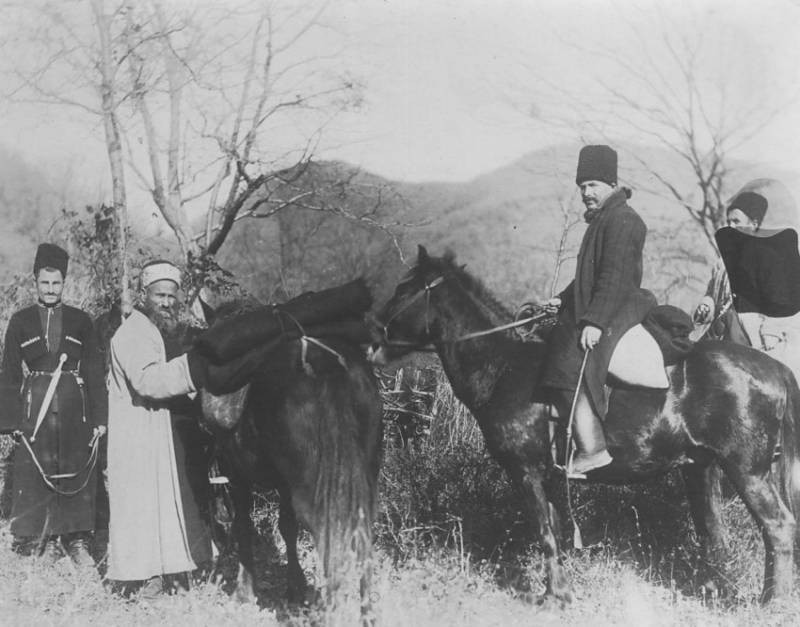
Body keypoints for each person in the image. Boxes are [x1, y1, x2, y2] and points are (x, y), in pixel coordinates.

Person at [541, 145, 656, 477]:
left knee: (570, 356)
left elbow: (614, 278)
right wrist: (563, 299)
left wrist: (594, 321)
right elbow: (589, 275)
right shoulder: (604, 218)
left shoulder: (624, 220)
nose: (586, 193)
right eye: (582, 186)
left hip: (620, 305)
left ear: (610, 183)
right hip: (605, 302)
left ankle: (592, 449)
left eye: (593, 184)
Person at [106, 259, 209, 597]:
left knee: (156, 502)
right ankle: (143, 579)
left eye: (171, 296)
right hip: (136, 433)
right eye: (159, 295)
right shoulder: (133, 332)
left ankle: (160, 575)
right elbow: (149, 381)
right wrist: (195, 369)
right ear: (143, 295)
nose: (166, 302)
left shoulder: (152, 330)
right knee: (140, 504)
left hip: (151, 429)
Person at [0, 243, 107, 566]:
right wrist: (10, 422)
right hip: (36, 405)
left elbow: (92, 370)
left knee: (75, 468)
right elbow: (8, 372)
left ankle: (76, 541)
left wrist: (101, 418)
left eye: (56, 283)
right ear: (35, 282)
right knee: (35, 468)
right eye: (44, 283)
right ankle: (36, 540)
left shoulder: (81, 321)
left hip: (75, 405)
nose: (50, 289)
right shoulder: (20, 321)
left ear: (64, 283)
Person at [694, 180, 800, 378]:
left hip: (750, 336)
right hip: (720, 330)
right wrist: (706, 305)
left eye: (736, 221)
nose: (730, 226)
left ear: (754, 225)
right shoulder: (723, 261)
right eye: (728, 221)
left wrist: (770, 334)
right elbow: (712, 293)